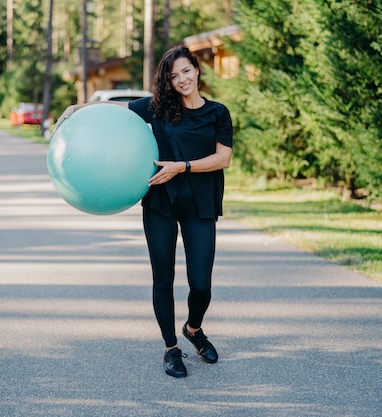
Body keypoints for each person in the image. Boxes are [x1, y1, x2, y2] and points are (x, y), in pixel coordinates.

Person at [56, 45, 233, 378]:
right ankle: (171, 348)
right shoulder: (157, 109)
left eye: (186, 71)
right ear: (167, 80)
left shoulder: (217, 112)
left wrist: (181, 166)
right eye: (174, 75)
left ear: (197, 69)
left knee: (201, 284)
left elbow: (223, 158)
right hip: (161, 204)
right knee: (163, 279)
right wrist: (76, 108)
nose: (182, 79)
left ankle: (193, 329)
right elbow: (114, 109)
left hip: (201, 203)